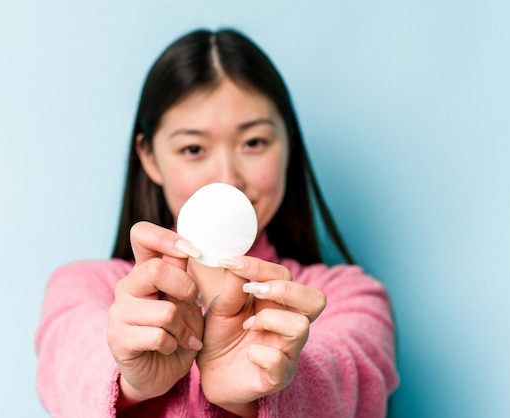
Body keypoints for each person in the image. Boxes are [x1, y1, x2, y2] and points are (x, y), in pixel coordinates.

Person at [35, 28, 399, 418]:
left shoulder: (350, 298)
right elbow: (69, 362)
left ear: (288, 146)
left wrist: (265, 386)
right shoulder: (84, 287)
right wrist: (130, 378)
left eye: (254, 143)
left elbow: (352, 385)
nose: (227, 177)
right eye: (193, 149)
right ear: (150, 158)